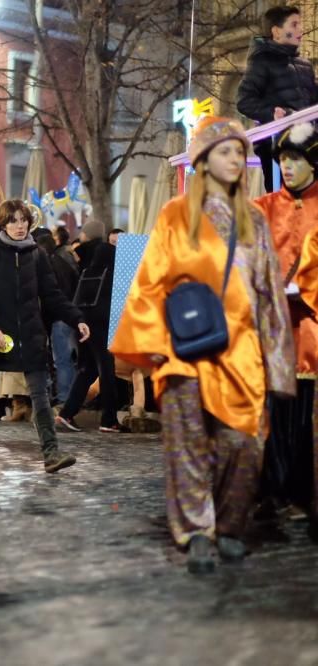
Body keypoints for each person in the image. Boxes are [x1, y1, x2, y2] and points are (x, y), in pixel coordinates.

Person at [111, 116, 296, 574]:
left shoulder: (254, 217)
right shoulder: (177, 213)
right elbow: (151, 280)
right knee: (188, 446)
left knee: (244, 446)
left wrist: (277, 363)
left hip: (243, 354)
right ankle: (196, 530)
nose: (236, 159)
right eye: (226, 151)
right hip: (187, 350)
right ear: (203, 160)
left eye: (239, 152)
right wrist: (151, 342)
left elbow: (270, 292)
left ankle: (231, 525)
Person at [0, 200, 89, 472]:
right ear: (3, 224)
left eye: (23, 220)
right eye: (13, 221)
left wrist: (77, 318)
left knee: (41, 396)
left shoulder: (37, 254)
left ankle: (51, 454)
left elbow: (52, 295)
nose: (19, 226)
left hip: (31, 337)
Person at [254, 122, 318, 524]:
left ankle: (297, 493)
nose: (287, 166)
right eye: (282, 158)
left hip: (309, 332)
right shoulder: (261, 208)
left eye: (295, 158)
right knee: (270, 415)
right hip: (269, 330)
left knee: (301, 418)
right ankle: (268, 492)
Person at [55, 220, 127, 433]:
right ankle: (109, 420)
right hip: (100, 318)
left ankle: (66, 414)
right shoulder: (108, 252)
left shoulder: (82, 256)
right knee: (106, 368)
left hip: (81, 316)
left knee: (87, 369)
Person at [236, 5, 318, 192]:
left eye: (300, 24)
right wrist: (271, 112)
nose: (300, 30)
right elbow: (244, 100)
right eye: (294, 24)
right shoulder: (261, 61)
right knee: (285, 205)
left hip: (309, 146)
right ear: (276, 31)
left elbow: (312, 102)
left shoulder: (305, 65)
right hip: (277, 147)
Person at [49, 225, 80, 404]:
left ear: (57, 239)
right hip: (74, 313)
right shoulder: (71, 257)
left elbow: (57, 290)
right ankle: (74, 399)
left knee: (63, 360)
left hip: (62, 314)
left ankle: (65, 399)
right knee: (72, 359)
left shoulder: (56, 259)